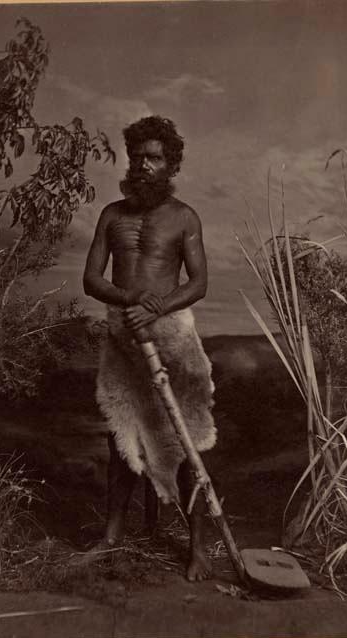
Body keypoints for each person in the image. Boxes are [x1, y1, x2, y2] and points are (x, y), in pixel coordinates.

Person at [83, 116, 216, 581]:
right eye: (138, 156)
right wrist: (129, 302)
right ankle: (113, 537)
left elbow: (199, 283)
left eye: (154, 158)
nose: (143, 165)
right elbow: (93, 278)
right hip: (123, 338)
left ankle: (198, 547)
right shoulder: (111, 215)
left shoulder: (184, 218)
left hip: (173, 339)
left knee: (186, 440)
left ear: (171, 164)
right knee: (123, 437)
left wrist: (157, 306)